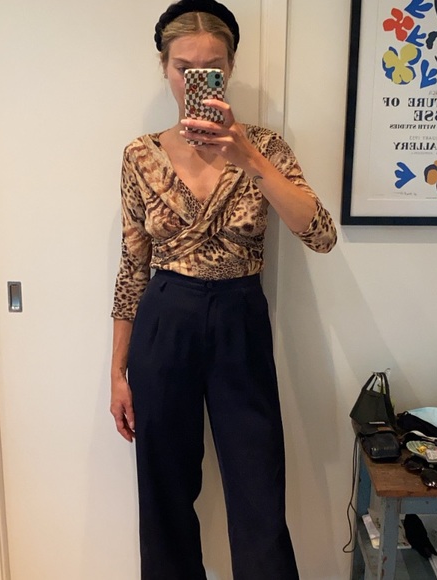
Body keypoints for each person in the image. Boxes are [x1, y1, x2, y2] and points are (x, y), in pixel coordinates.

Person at [109, 1, 337, 578]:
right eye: (183, 67)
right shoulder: (139, 156)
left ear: (230, 68)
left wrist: (249, 157)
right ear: (164, 67)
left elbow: (321, 235)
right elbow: (132, 266)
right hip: (164, 320)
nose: (195, 79)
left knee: (258, 488)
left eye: (211, 67)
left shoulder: (266, 147)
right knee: (164, 492)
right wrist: (117, 372)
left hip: (240, 318)